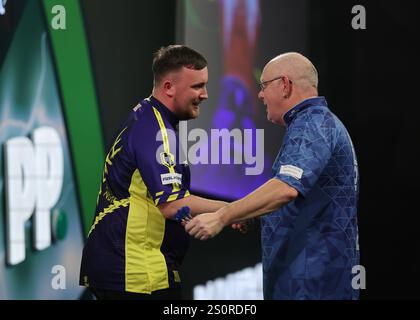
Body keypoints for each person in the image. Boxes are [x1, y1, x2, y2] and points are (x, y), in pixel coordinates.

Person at [185, 52, 360, 300]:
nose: (260, 94)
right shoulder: (315, 123)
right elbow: (301, 199)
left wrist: (223, 216)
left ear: (285, 85)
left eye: (264, 86)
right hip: (308, 281)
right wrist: (250, 213)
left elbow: (285, 189)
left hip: (312, 286)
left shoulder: (313, 124)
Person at [79, 45, 227, 300]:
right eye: (197, 86)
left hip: (118, 267)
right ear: (168, 87)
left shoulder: (144, 116)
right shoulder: (157, 130)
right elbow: (172, 204)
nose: (205, 95)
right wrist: (229, 210)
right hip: (135, 273)